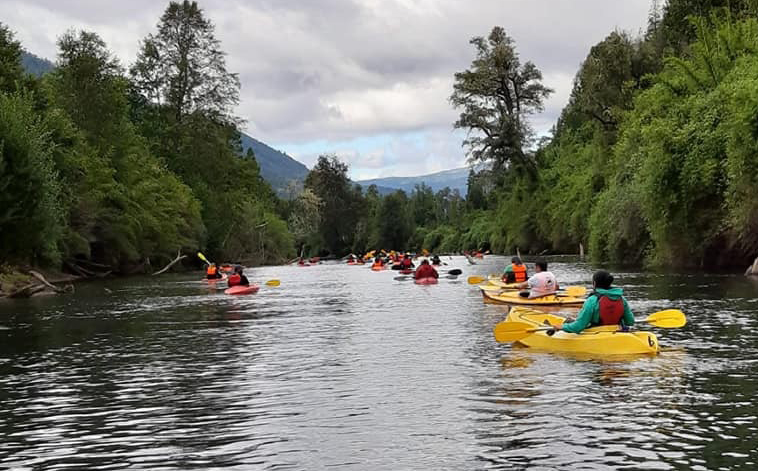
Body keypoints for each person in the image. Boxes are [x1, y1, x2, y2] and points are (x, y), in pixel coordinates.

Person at [549, 270, 634, 334]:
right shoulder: (621, 299)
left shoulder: (592, 300)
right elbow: (630, 321)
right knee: (570, 320)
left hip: (596, 333)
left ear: (594, 283)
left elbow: (578, 327)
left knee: (568, 321)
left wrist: (562, 327)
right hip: (616, 331)